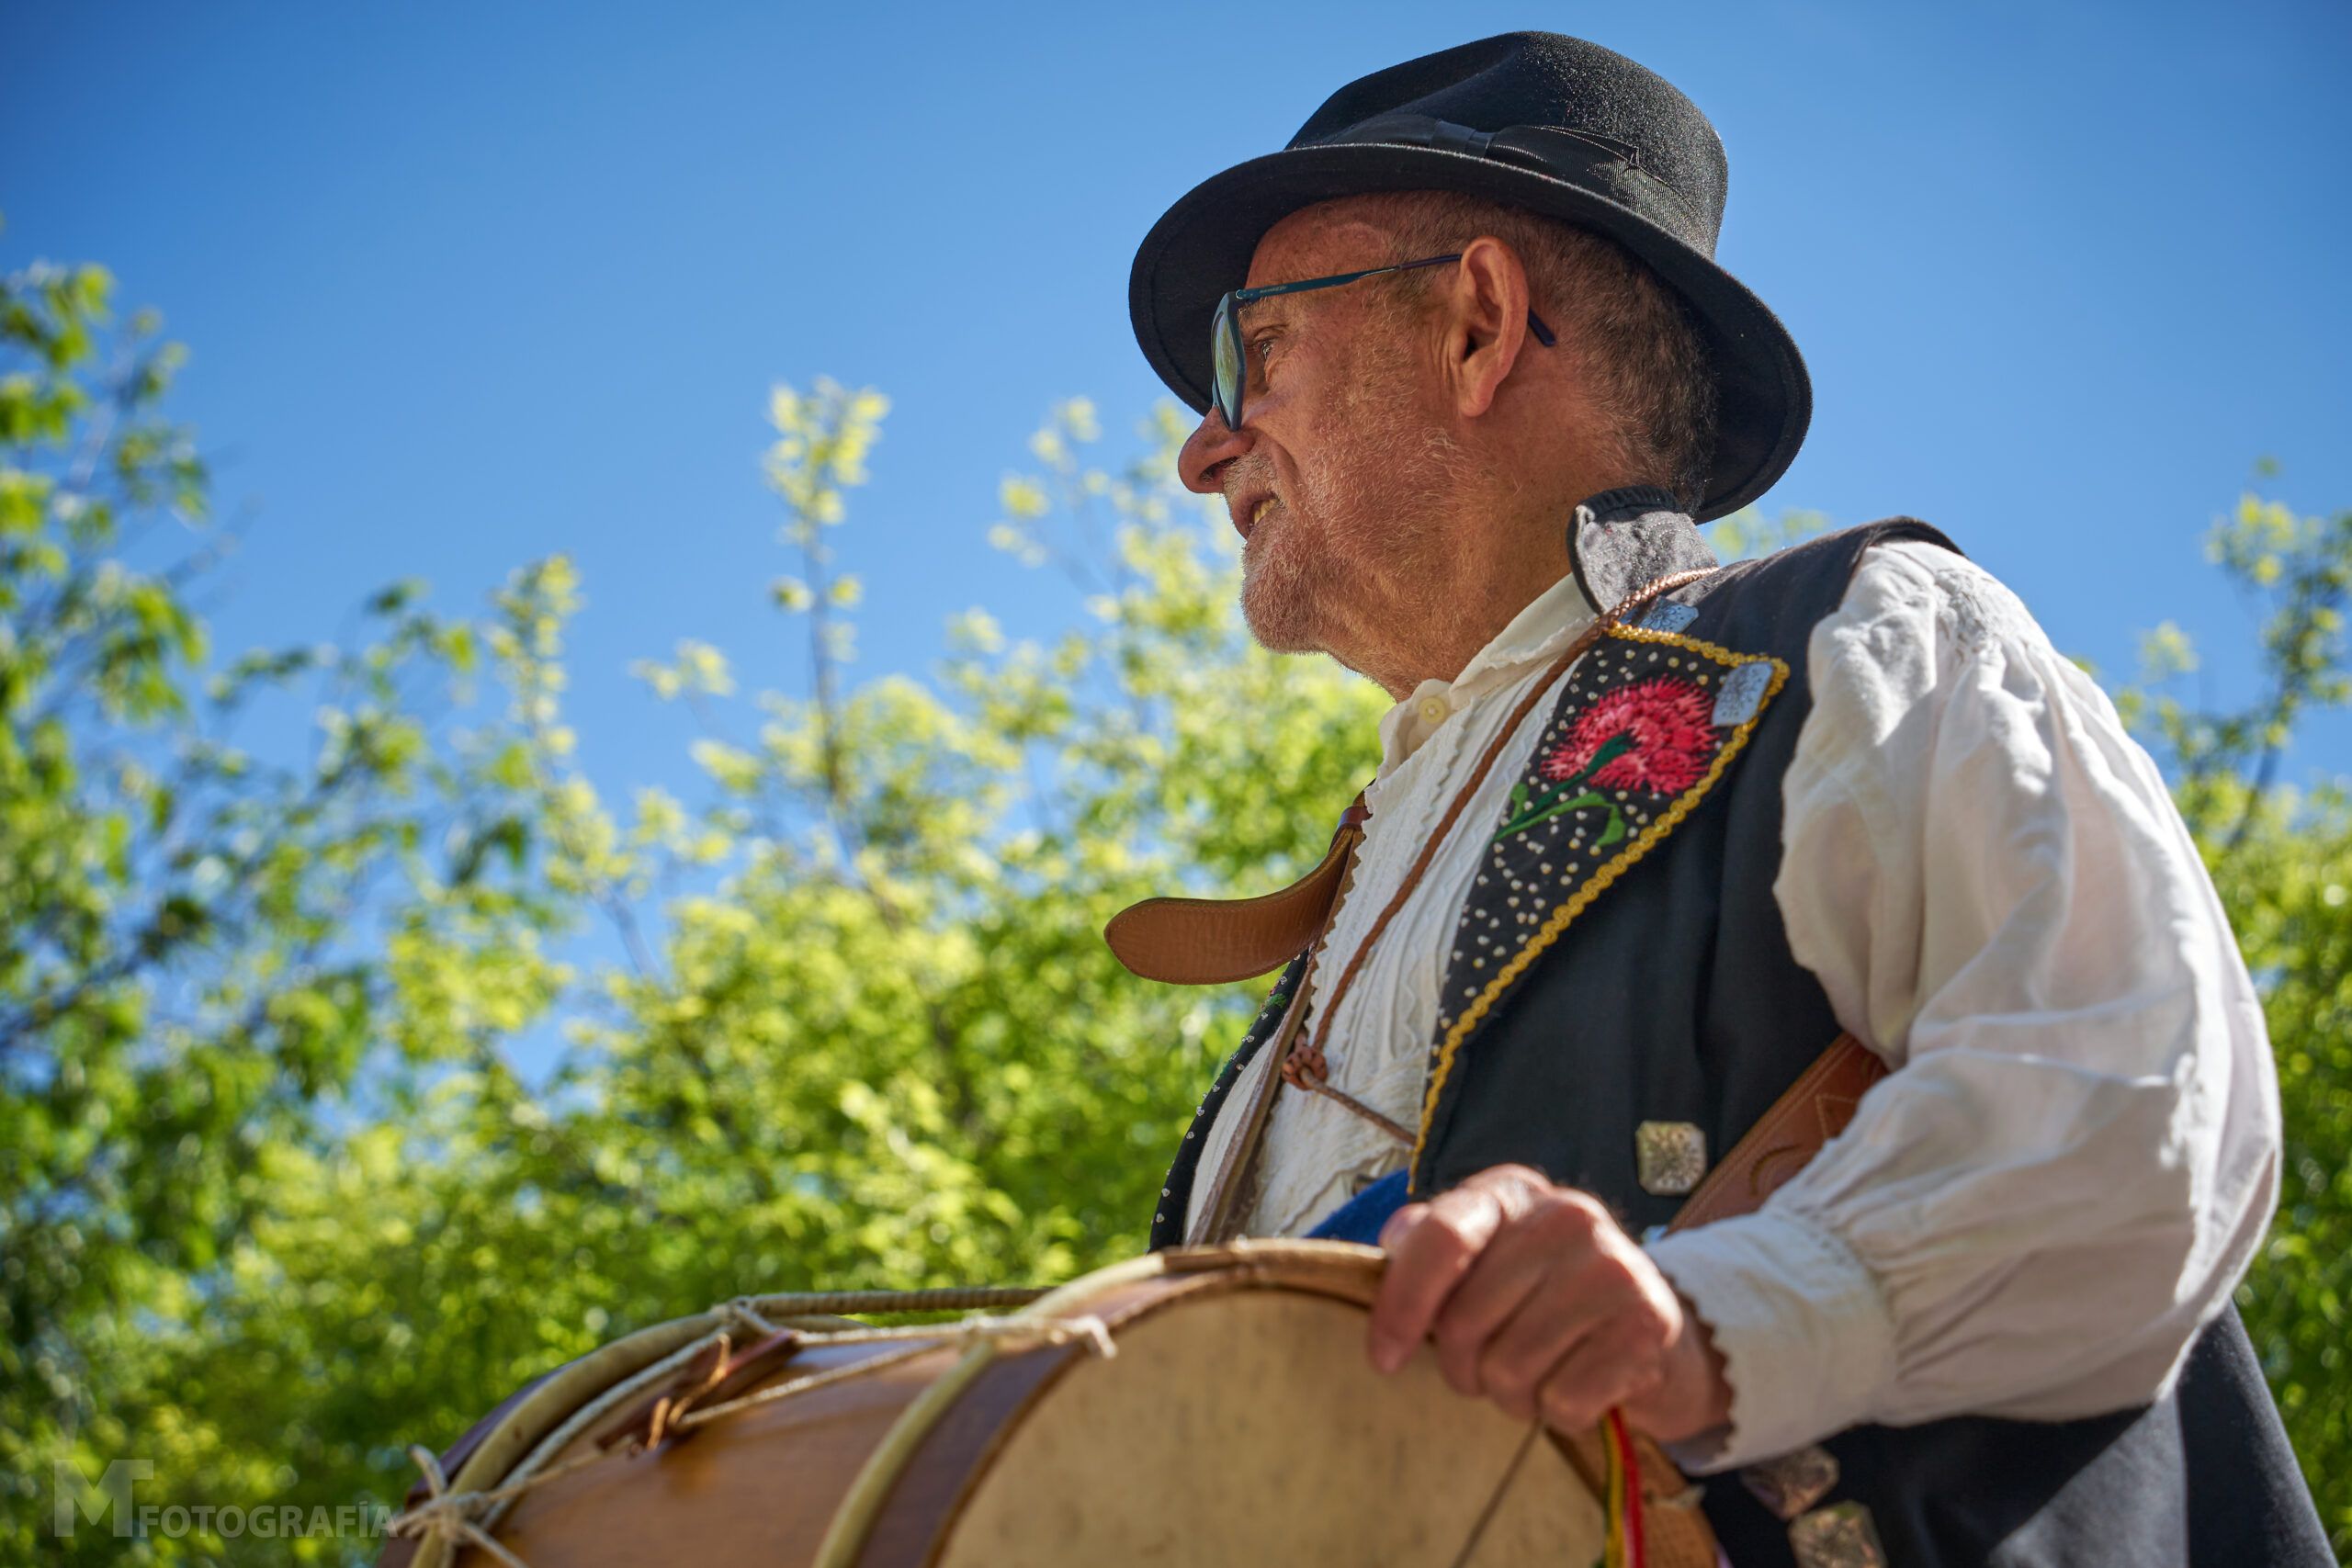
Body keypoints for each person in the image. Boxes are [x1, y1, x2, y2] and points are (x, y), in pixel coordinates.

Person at [1113, 31, 2330, 1568]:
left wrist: (1709, 1322)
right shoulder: (1362, 906)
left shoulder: (1855, 638)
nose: (1201, 448)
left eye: (1253, 354)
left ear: (1480, 324)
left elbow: (2133, 1108)